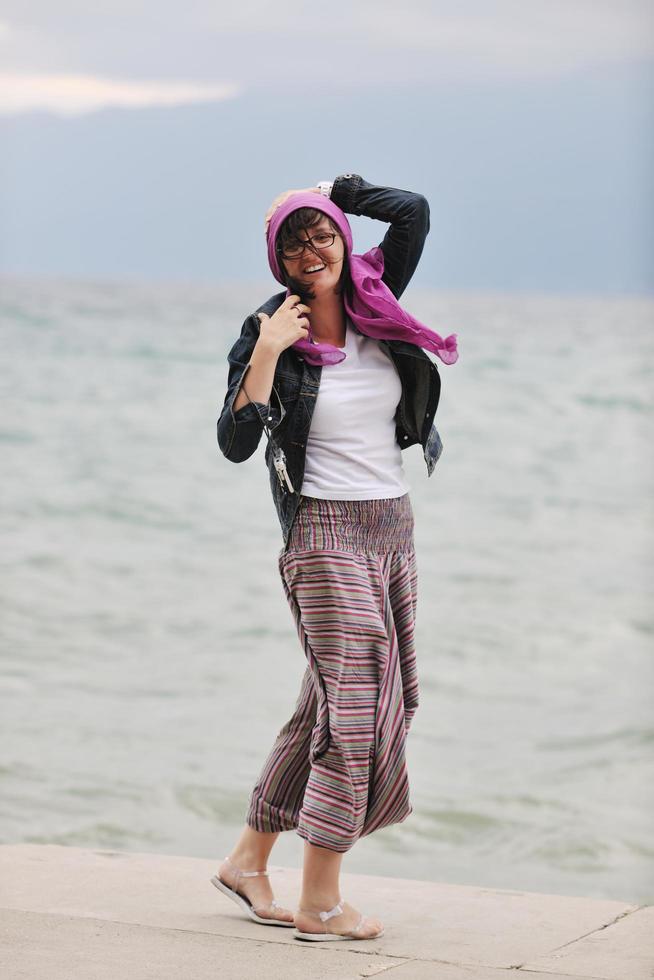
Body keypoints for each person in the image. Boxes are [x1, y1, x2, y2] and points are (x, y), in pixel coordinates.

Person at [213, 174, 458, 942]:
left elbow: (413, 212)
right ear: (278, 260)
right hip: (321, 533)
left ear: (342, 240)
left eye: (321, 235)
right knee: (358, 711)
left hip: (392, 527)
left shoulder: (372, 296)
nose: (311, 251)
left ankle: (247, 859)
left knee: (340, 698)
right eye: (293, 243)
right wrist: (266, 353)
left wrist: (334, 188)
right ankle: (320, 898)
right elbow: (235, 442)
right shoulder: (269, 327)